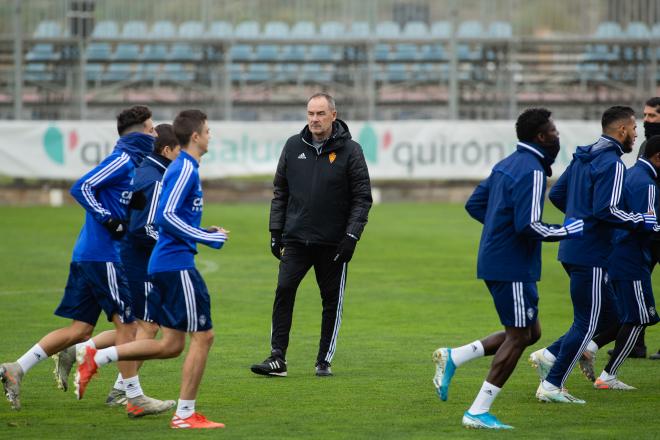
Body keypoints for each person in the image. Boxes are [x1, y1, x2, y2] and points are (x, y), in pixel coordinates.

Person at [0, 106, 172, 417]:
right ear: (137, 133)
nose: (154, 133)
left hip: (90, 254)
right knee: (129, 326)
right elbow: (82, 187)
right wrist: (108, 219)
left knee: (80, 330)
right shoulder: (121, 159)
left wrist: (127, 204)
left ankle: (16, 368)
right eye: (149, 128)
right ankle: (133, 396)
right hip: (102, 255)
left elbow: (107, 194)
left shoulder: (131, 163)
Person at [74, 109, 229, 430]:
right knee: (204, 336)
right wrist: (207, 237)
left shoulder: (181, 167)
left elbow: (170, 215)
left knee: (171, 345)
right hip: (176, 264)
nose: (211, 135)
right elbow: (165, 217)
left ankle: (98, 356)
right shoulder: (186, 168)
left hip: (166, 262)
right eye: (208, 130)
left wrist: (201, 230)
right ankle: (185, 415)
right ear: (196, 136)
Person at [431, 108, 583, 430]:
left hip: (500, 260)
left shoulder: (507, 164)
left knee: (532, 332)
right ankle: (477, 411)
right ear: (541, 137)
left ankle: (455, 356)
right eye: (554, 132)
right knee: (518, 336)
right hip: (512, 264)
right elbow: (529, 225)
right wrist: (568, 230)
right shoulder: (532, 171)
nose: (558, 137)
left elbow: (474, 204)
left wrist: (498, 231)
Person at [529, 106, 656, 403]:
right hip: (593, 252)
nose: (637, 134)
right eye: (634, 128)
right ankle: (552, 384)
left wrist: (579, 218)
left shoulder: (584, 155)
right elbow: (607, 210)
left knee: (611, 315)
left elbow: (558, 195)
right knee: (587, 323)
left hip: (574, 249)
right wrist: (640, 220)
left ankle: (549, 354)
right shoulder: (612, 163)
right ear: (622, 130)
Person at [51, 124, 181, 409]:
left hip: (125, 258)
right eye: (180, 149)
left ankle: (82, 351)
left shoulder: (143, 170)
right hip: (134, 261)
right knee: (146, 328)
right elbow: (140, 227)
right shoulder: (153, 176)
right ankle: (122, 390)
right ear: (168, 150)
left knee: (136, 328)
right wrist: (175, 241)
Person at [250, 93, 372, 377]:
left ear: (333, 115)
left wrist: (351, 237)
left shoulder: (351, 151)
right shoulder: (293, 146)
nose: (314, 120)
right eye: (310, 114)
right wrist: (275, 231)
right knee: (283, 291)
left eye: (320, 114)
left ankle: (323, 360)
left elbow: (362, 198)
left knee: (331, 300)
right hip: (295, 240)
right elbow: (281, 191)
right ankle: (277, 358)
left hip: (333, 243)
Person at [576, 135, 660, 389]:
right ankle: (608, 375)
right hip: (631, 258)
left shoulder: (632, 174)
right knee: (642, 316)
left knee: (627, 316)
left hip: (618, 254)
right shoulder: (647, 184)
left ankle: (589, 348)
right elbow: (648, 225)